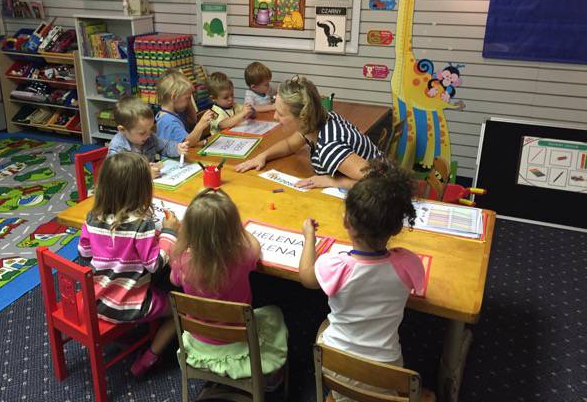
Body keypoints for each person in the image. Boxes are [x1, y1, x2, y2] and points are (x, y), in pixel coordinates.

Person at [298, 159, 426, 401]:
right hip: (388, 374)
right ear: (397, 228)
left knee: (323, 326)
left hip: (336, 370)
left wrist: (309, 238)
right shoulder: (408, 264)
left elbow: (306, 276)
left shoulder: (335, 265)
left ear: (346, 221)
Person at [169, 189, 288, 385]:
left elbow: (173, 280)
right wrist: (238, 228)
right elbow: (255, 245)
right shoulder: (242, 257)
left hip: (199, 342)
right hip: (239, 344)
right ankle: (271, 379)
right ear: (232, 230)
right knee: (274, 313)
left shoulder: (181, 262)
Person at [77, 152, 179, 378]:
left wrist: (111, 249)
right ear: (142, 190)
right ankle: (149, 358)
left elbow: (84, 252)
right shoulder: (141, 225)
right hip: (129, 305)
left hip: (97, 300)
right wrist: (169, 233)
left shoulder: (92, 217)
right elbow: (154, 265)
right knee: (180, 310)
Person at [236, 75, 382, 189]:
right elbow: (290, 145)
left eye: (280, 113)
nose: (275, 117)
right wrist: (262, 156)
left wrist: (332, 181)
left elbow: (379, 181)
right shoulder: (317, 122)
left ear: (302, 117)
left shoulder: (329, 147)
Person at [108, 96, 187, 178]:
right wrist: (144, 174)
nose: (149, 134)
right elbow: (117, 176)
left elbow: (165, 147)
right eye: (142, 133)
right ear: (123, 130)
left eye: (150, 129)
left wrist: (177, 149)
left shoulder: (149, 138)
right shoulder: (117, 149)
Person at [155, 69, 215, 147]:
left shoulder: (176, 111)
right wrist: (201, 125)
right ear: (174, 97)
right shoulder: (168, 121)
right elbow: (187, 143)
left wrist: (188, 98)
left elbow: (193, 120)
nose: (189, 101)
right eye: (188, 98)